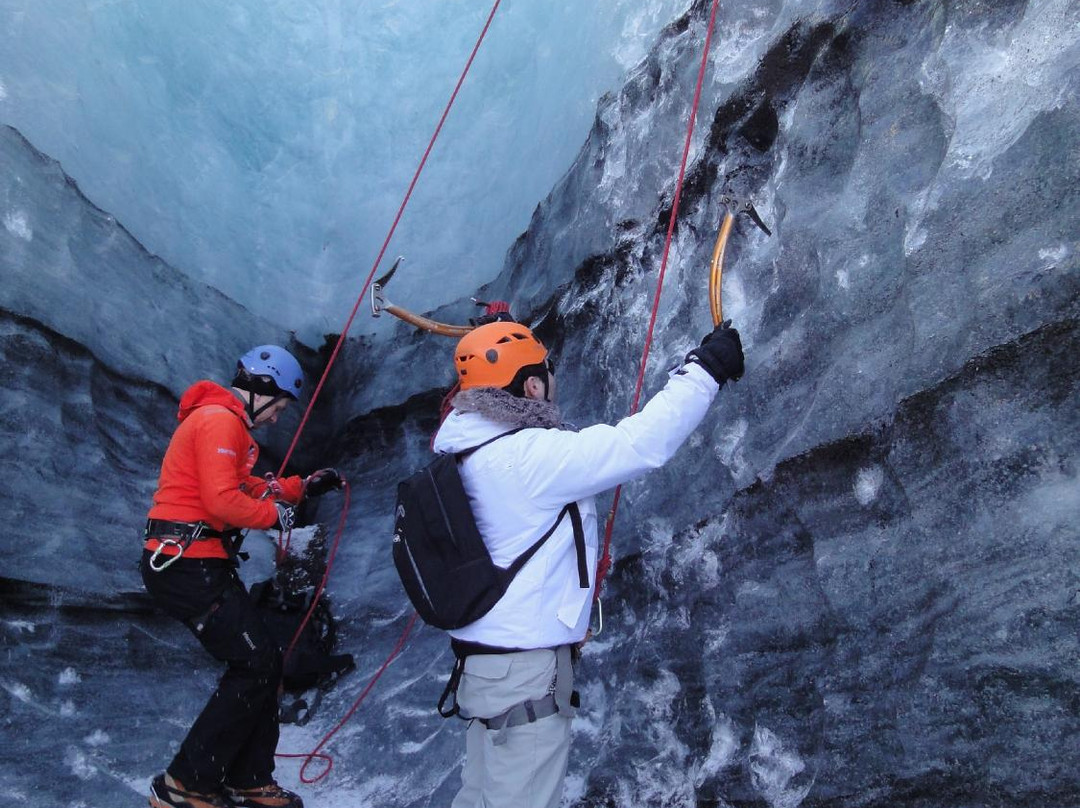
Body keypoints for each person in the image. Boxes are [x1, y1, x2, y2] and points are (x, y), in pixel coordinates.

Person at [431, 320, 744, 808]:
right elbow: (639, 444)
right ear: (531, 386)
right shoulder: (527, 458)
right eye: (546, 372)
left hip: (483, 670)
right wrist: (705, 370)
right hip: (524, 677)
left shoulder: (464, 451)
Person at [141, 345, 343, 808]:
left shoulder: (224, 422)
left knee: (262, 662)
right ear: (263, 390)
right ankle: (183, 785)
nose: (276, 419)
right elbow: (221, 503)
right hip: (187, 565)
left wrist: (300, 488)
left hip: (196, 562)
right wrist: (278, 519)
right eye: (279, 408)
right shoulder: (219, 420)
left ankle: (248, 777)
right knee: (255, 663)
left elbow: (246, 487)